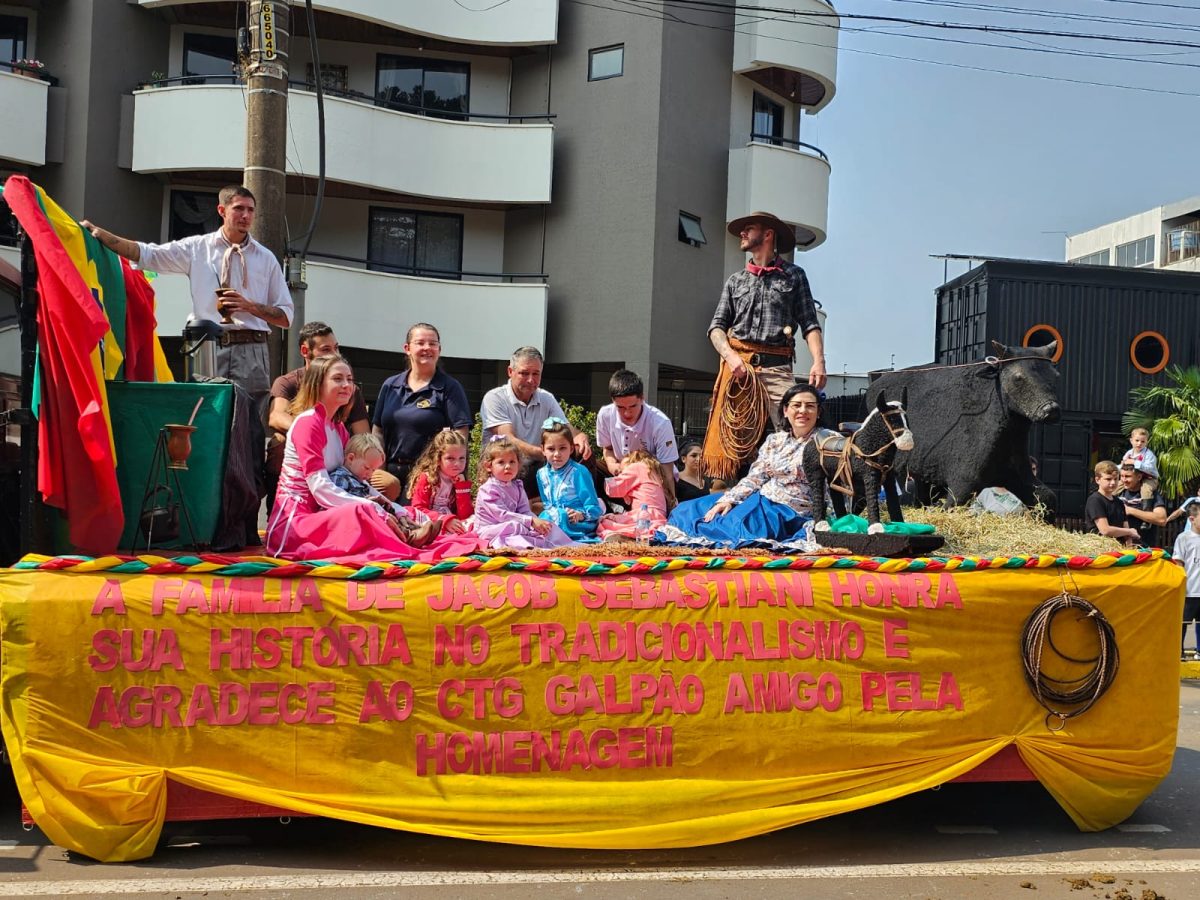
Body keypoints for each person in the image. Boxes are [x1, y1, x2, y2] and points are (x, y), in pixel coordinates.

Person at [81, 185, 293, 415]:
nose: (246, 216)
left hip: (252, 347)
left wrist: (249, 306)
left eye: (251, 210)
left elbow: (285, 316)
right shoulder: (197, 247)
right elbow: (148, 254)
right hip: (207, 345)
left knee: (251, 420)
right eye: (239, 208)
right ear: (221, 210)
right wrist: (101, 235)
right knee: (205, 415)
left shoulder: (266, 258)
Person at [265, 355, 476, 560]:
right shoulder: (308, 423)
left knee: (398, 508)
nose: (347, 385)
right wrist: (372, 506)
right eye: (338, 379)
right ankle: (407, 537)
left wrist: (393, 507)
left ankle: (412, 529)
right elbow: (320, 489)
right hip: (296, 522)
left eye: (349, 379)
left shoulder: (338, 429)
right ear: (317, 384)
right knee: (362, 509)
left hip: (323, 511)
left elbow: (357, 483)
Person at [704, 211, 825, 481]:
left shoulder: (794, 276)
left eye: (749, 229)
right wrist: (731, 357)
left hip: (778, 368)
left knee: (795, 428)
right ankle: (723, 499)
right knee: (729, 439)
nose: (742, 234)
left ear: (768, 234)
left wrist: (819, 361)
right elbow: (716, 328)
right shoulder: (736, 280)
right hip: (739, 369)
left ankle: (795, 491)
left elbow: (809, 323)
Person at [666, 383, 834, 549]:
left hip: (793, 512)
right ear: (785, 410)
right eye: (796, 405)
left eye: (810, 406)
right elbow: (755, 478)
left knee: (739, 528)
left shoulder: (829, 441)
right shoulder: (774, 440)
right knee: (691, 510)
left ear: (818, 412)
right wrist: (729, 500)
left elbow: (836, 485)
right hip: (762, 499)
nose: (803, 411)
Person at [266, 321, 370, 512]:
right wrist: (315, 434)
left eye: (336, 348)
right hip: (301, 500)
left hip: (341, 457)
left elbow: (363, 437)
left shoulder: (340, 421)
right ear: (305, 351)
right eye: (326, 349)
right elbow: (276, 417)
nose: (334, 354)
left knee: (385, 484)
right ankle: (275, 506)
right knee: (279, 442)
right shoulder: (287, 383)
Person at [372, 323, 472, 501]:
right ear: (407, 348)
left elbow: (460, 434)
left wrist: (442, 470)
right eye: (420, 343)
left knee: (411, 523)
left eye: (432, 344)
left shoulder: (450, 388)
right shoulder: (390, 385)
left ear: (439, 349)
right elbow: (378, 430)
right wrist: (379, 468)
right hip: (389, 473)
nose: (427, 348)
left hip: (428, 477)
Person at [480, 346, 592, 498]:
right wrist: (546, 453)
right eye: (524, 373)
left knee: (582, 452)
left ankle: (587, 505)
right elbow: (509, 440)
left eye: (536, 374)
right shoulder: (495, 398)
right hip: (505, 470)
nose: (531, 380)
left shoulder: (546, 398)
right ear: (510, 372)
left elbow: (566, 429)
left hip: (537, 467)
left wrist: (579, 437)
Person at [473, 436, 574, 550]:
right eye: (501, 462)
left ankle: (565, 546)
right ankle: (529, 547)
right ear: (488, 466)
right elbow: (502, 515)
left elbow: (525, 510)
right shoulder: (488, 489)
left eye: (512, 462)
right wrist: (530, 522)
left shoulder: (517, 486)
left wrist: (537, 522)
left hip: (515, 523)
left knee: (546, 525)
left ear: (518, 464)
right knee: (515, 526)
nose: (508, 466)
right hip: (490, 529)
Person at [537, 418, 603, 542]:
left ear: (571, 448)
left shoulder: (579, 472)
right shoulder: (541, 474)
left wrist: (581, 515)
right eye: (551, 449)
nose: (557, 454)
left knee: (559, 516)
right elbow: (547, 505)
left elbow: (594, 507)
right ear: (543, 450)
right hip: (552, 518)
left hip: (577, 523)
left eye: (562, 448)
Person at [597, 449, 672, 542]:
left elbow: (613, 487)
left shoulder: (637, 467)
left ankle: (621, 535)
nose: (621, 471)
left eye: (623, 468)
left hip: (644, 513)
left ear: (632, 461)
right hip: (657, 516)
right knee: (617, 517)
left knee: (603, 522)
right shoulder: (652, 471)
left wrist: (608, 475)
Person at [407, 430, 474, 534]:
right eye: (450, 458)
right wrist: (444, 520)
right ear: (437, 458)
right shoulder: (427, 478)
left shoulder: (459, 479)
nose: (457, 463)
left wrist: (461, 488)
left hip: (452, 522)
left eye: (462, 458)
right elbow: (418, 508)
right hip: (429, 521)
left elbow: (465, 515)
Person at [1083, 460, 1139, 544]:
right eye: (1108, 479)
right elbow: (1105, 530)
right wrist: (1130, 532)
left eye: (1116, 479)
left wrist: (1129, 549)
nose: (1113, 482)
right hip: (1100, 548)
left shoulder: (1119, 502)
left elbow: (1126, 532)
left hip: (1119, 550)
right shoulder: (1095, 500)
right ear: (1097, 480)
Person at [1173, 504, 1200, 661]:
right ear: (1192, 519)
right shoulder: (1184, 538)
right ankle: (1179, 651)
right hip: (1190, 590)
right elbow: (1178, 562)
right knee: (1183, 622)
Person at [1118, 462, 1168, 547]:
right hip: (1118, 547)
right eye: (1122, 476)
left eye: (1128, 476)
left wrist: (1130, 510)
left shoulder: (1150, 494)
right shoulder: (1118, 492)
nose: (1124, 480)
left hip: (1143, 548)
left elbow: (1162, 519)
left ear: (1139, 477)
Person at [675, 438, 725, 502]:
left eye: (701, 456)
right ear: (683, 459)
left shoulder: (705, 482)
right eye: (694, 456)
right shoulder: (676, 479)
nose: (698, 459)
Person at [1121, 427, 1160, 502]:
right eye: (1137, 440)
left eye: (1143, 441)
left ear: (1146, 442)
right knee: (1117, 486)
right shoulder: (1129, 453)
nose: (1139, 443)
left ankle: (1146, 509)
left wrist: (1134, 462)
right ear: (1131, 440)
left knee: (1146, 490)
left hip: (1149, 478)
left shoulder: (1149, 454)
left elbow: (1149, 469)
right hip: (1134, 478)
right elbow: (1123, 464)